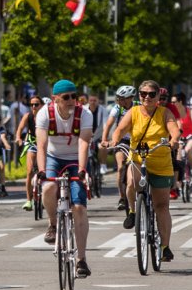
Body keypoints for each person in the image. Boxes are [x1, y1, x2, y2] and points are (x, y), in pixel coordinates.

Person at [117, 80, 181, 263]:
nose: (146, 97)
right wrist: (112, 141)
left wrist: (174, 139)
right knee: (131, 182)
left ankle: (165, 247)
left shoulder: (164, 113)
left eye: (151, 94)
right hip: (138, 158)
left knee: (162, 206)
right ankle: (132, 211)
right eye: (143, 93)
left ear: (158, 97)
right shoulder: (134, 112)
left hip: (160, 162)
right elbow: (121, 129)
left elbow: (174, 130)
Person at [36, 79, 95, 276]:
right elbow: (42, 146)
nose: (71, 101)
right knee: (47, 188)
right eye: (66, 97)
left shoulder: (84, 114)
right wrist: (42, 170)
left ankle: (81, 260)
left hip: (74, 160)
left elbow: (83, 143)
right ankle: (53, 223)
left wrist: (81, 170)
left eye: (74, 97)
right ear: (55, 99)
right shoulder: (45, 113)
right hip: (53, 158)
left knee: (79, 208)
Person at [100, 85, 137, 209]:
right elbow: (109, 124)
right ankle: (122, 197)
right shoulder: (117, 108)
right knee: (121, 167)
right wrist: (104, 140)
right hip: (121, 141)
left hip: (136, 141)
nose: (118, 101)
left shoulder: (139, 107)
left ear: (129, 98)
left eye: (121, 98)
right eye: (118, 98)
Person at [15, 94, 43, 210]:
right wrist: (18, 138)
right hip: (32, 143)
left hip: (44, 145)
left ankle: (46, 197)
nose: (34, 107)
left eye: (36, 104)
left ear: (42, 105)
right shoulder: (28, 116)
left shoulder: (46, 116)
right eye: (31, 105)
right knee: (29, 171)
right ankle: (28, 201)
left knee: (46, 171)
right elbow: (20, 129)